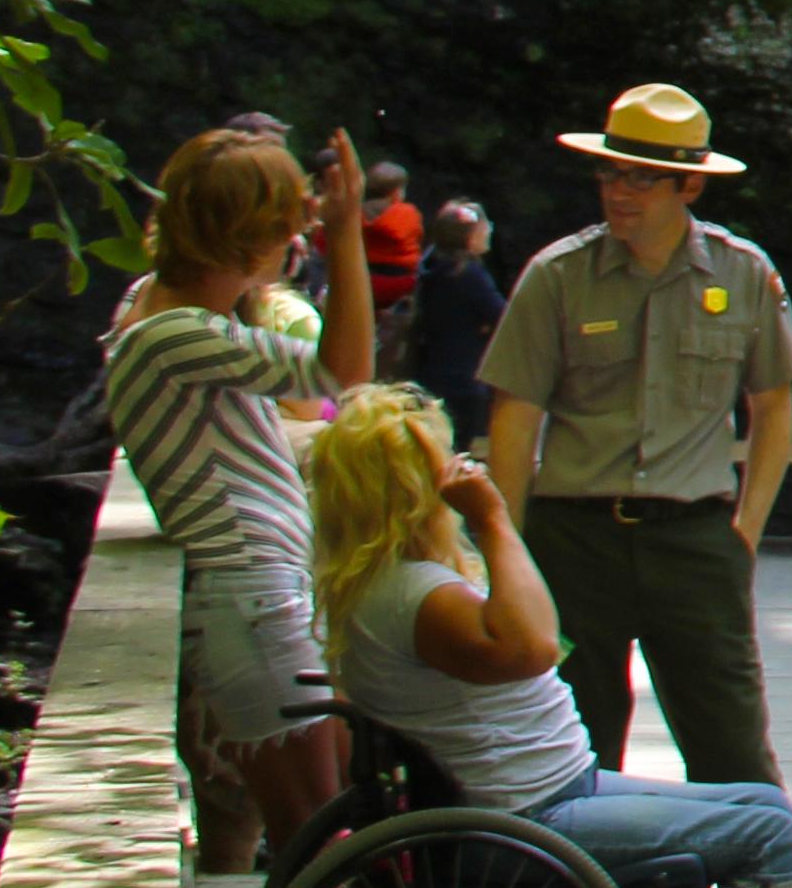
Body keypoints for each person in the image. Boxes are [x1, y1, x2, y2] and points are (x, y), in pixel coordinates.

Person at [308, 385, 792, 888]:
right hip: (526, 823)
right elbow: (537, 644)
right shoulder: (423, 597)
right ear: (417, 490)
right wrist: (496, 519)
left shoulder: (377, 587)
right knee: (773, 838)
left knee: (759, 810)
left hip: (530, 798)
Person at [478, 81, 792, 888]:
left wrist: (746, 527)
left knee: (731, 744)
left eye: (643, 176)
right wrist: (505, 547)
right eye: (611, 171)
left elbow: (776, 405)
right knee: (576, 751)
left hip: (695, 537)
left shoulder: (743, 274)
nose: (620, 191)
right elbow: (514, 419)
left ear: (689, 187)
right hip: (572, 536)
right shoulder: (557, 277)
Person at [105, 125, 374, 851]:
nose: (298, 243)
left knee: (321, 826)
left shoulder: (169, 313)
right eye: (288, 227)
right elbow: (341, 371)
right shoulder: (175, 333)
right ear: (249, 236)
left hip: (259, 600)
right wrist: (348, 236)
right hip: (251, 603)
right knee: (318, 836)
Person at [406, 200, 508, 446]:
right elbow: (503, 318)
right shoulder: (470, 275)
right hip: (463, 380)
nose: (490, 231)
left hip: (429, 372)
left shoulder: (430, 267)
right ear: (470, 236)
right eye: (485, 226)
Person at [358, 161, 424, 370]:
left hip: (363, 283)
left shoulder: (355, 213)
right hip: (400, 286)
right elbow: (416, 238)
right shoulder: (407, 214)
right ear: (396, 192)